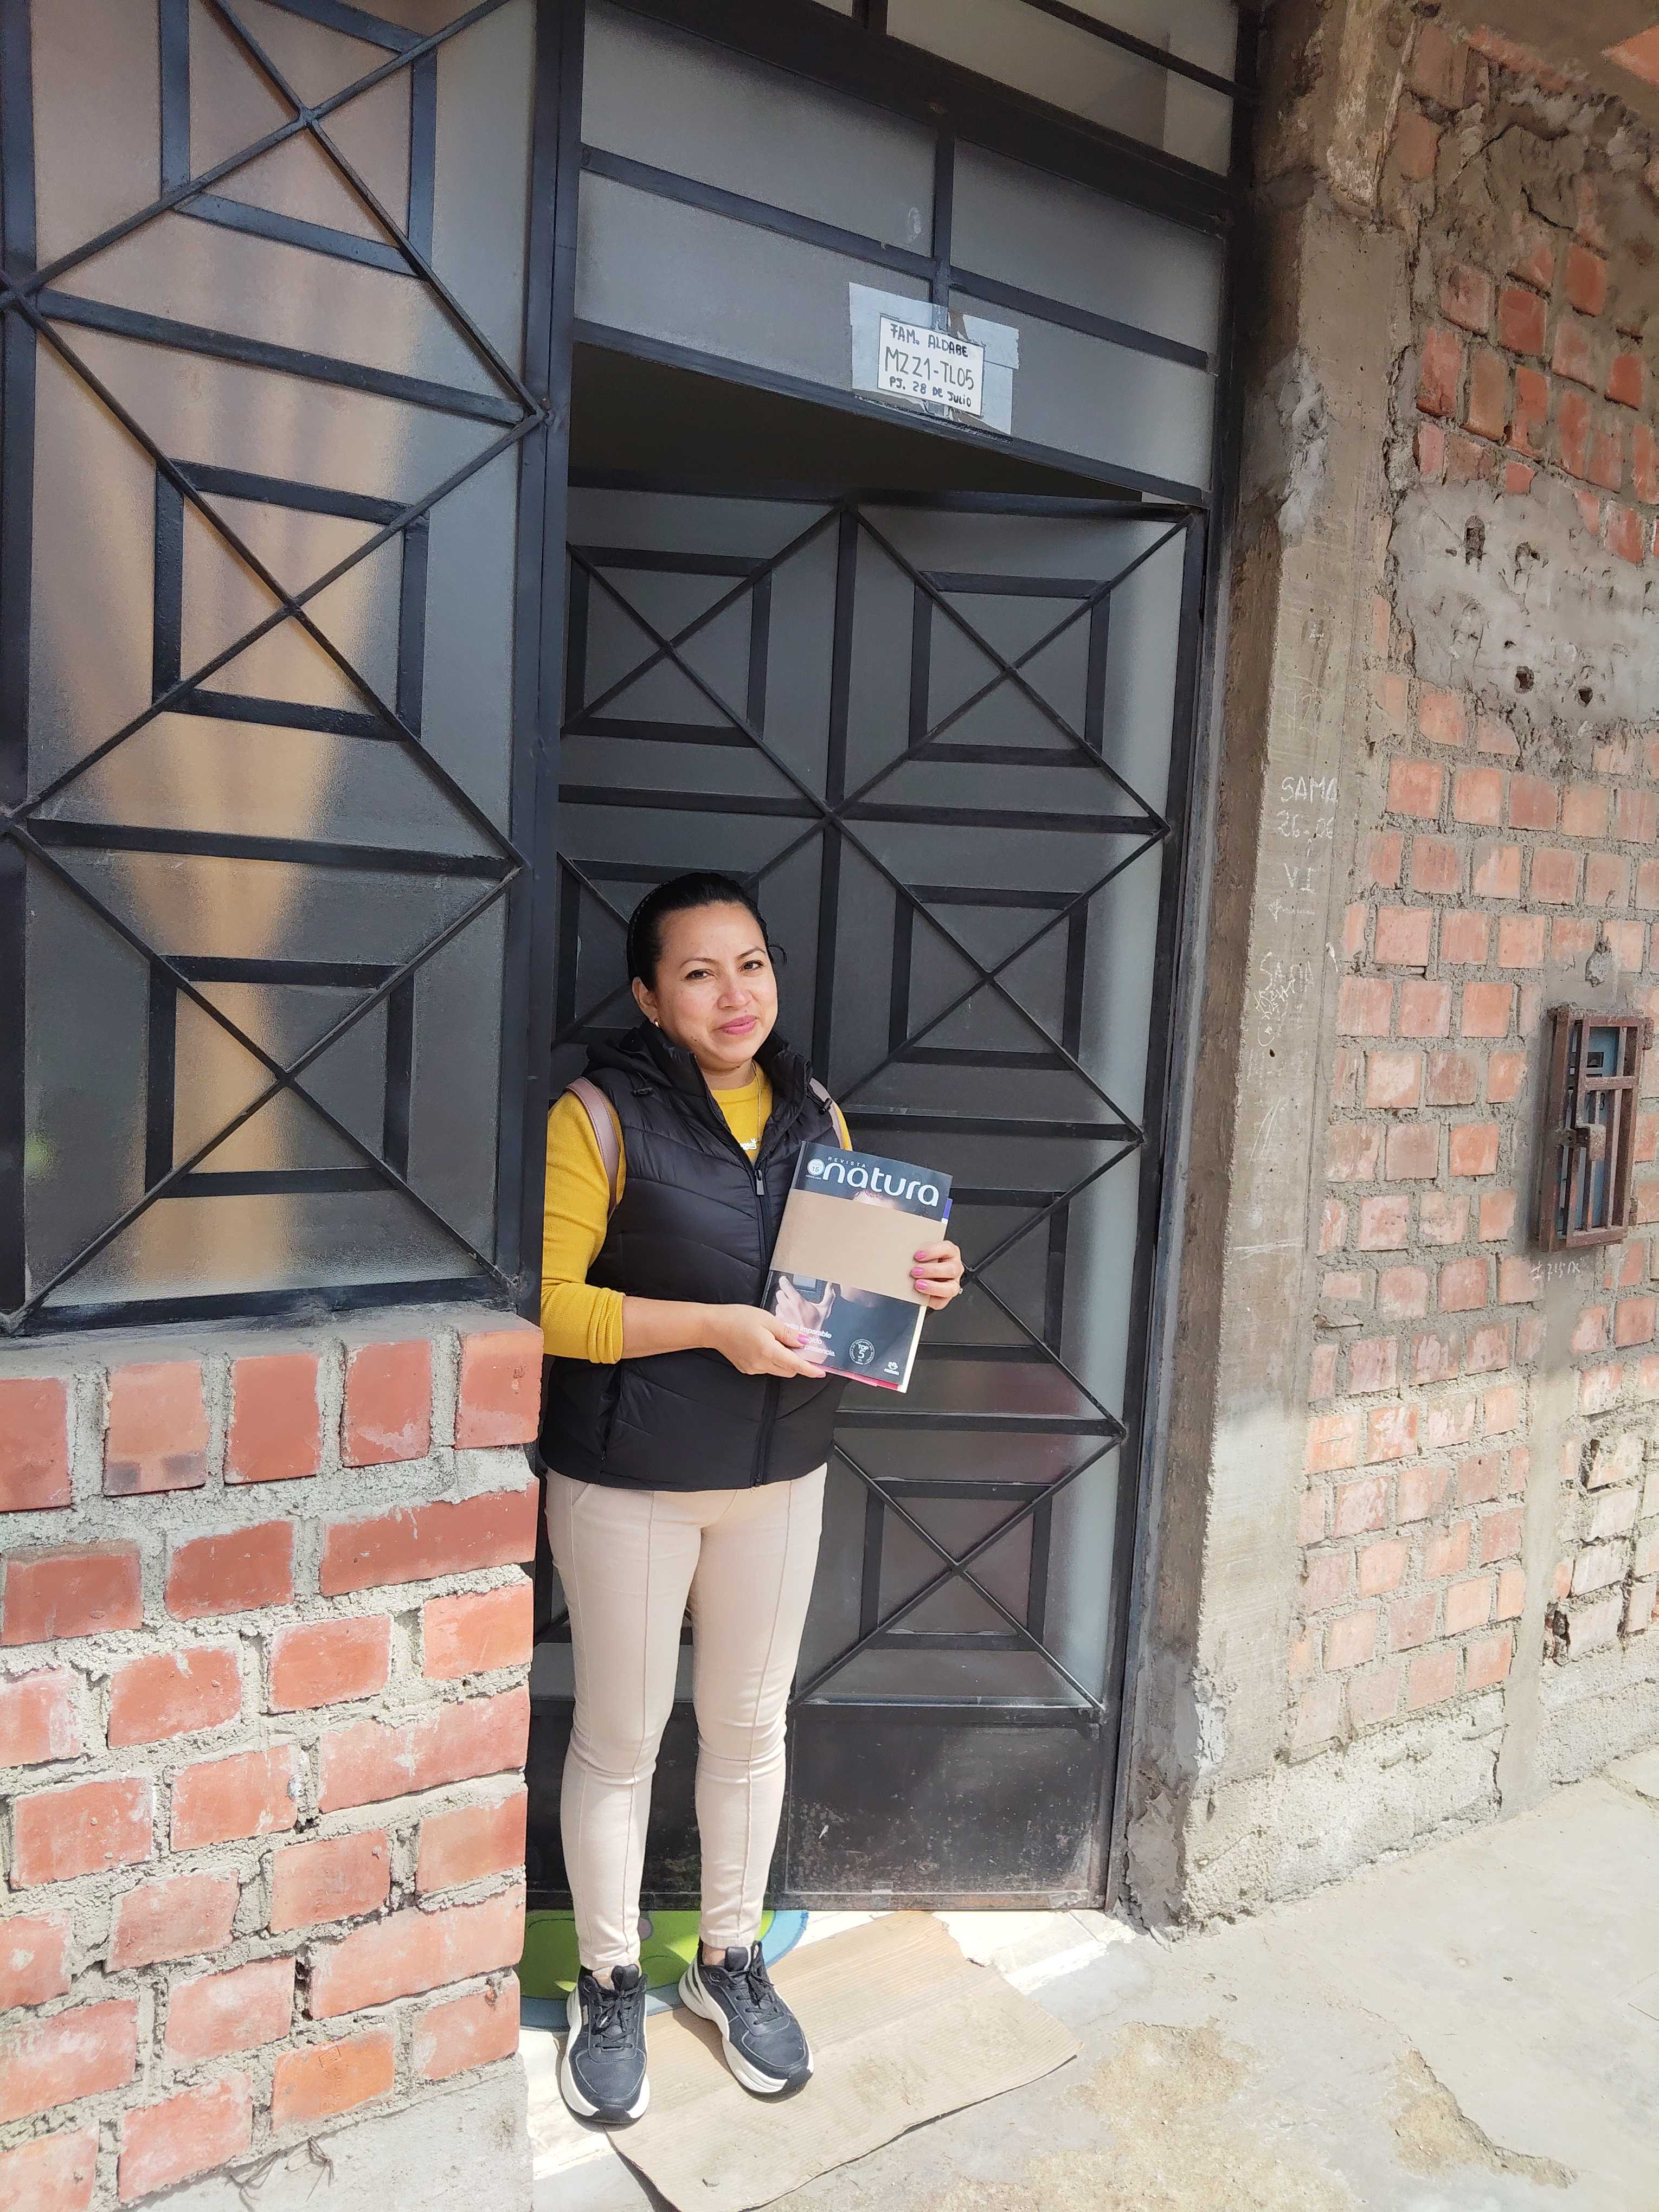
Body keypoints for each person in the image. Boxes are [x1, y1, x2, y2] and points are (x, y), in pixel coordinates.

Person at [539, 872, 963, 2125]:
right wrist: (713, 1327)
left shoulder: (814, 1113)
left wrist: (920, 1279)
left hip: (780, 1476)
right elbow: (550, 1306)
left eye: (752, 965)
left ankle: (727, 1961)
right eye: (699, 973)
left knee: (747, 1727)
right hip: (632, 1481)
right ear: (649, 997)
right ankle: (608, 1980)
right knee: (620, 1737)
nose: (736, 995)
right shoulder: (596, 1115)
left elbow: (840, 1291)